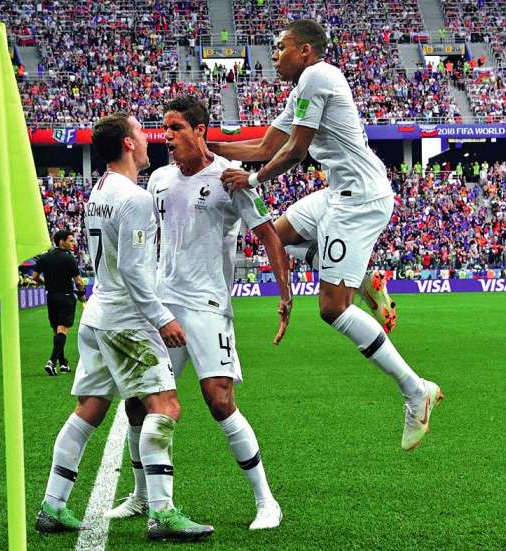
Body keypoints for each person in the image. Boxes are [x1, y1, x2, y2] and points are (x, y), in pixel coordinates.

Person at [213, 20, 442, 452]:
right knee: (275, 237)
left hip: (360, 200)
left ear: (304, 51)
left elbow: (294, 151)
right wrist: (210, 148)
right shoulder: (301, 88)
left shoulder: (319, 76)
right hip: (339, 194)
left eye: (280, 47)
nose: (273, 54)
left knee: (332, 309)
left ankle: (416, 391)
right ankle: (365, 281)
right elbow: (265, 145)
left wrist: (255, 181)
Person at [106, 97, 290, 529]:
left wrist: (284, 295)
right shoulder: (158, 181)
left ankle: (267, 502)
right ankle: (139, 495)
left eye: (176, 127)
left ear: (200, 130)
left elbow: (268, 235)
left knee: (220, 400)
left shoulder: (230, 178)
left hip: (208, 308)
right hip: (164, 306)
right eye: (164, 128)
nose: (166, 135)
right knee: (139, 402)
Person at [35, 112, 213, 541]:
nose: (149, 138)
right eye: (140, 132)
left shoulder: (98, 191)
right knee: (165, 406)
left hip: (98, 315)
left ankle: (53, 504)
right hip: (126, 320)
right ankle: (162, 514)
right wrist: (163, 318)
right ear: (128, 144)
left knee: (89, 409)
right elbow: (135, 273)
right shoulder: (134, 198)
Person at [33, 229, 86, 375]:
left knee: (56, 331)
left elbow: (35, 277)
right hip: (66, 296)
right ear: (61, 242)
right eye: (70, 240)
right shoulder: (69, 258)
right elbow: (78, 280)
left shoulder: (44, 257)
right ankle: (52, 361)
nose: (73, 243)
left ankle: (63, 364)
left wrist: (47, 283)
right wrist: (82, 294)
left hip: (51, 297)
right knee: (63, 330)